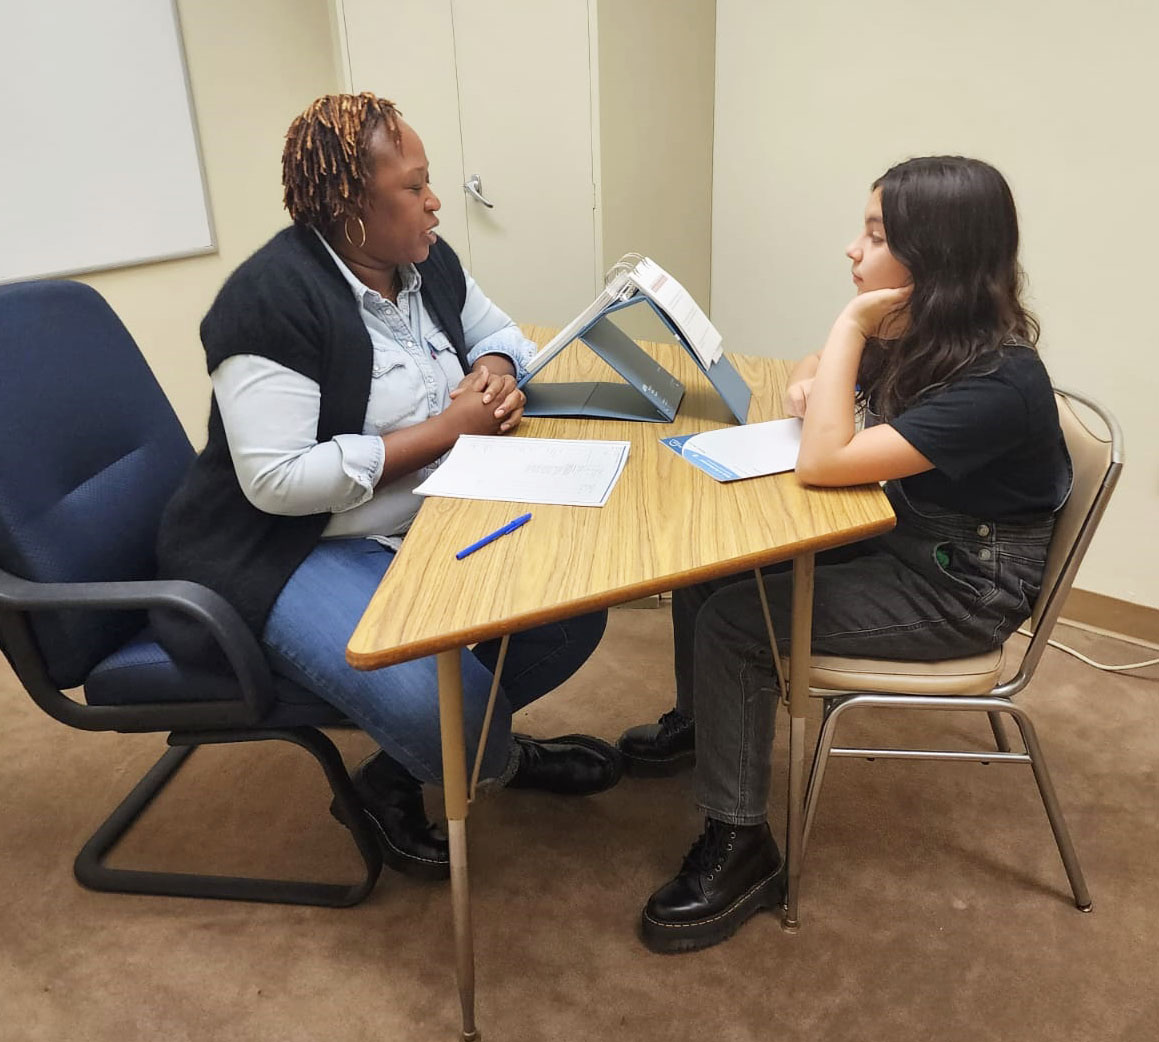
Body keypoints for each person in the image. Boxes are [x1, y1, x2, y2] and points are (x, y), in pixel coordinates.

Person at [153, 93, 621, 883]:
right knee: (442, 714)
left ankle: (444, 755)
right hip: (291, 546)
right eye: (414, 186)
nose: (435, 201)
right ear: (347, 206)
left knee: (572, 611)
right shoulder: (270, 302)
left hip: (425, 515)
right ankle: (463, 756)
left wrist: (495, 372)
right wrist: (447, 431)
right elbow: (274, 482)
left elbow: (503, 334)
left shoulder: (422, 259)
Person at [618, 156, 1071, 952]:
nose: (851, 252)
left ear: (933, 258)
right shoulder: (933, 332)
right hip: (904, 533)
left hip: (961, 587)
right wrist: (813, 379)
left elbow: (823, 463)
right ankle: (707, 724)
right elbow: (808, 377)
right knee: (711, 565)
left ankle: (742, 848)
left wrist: (850, 325)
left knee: (733, 623)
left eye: (873, 236)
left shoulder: (998, 379)